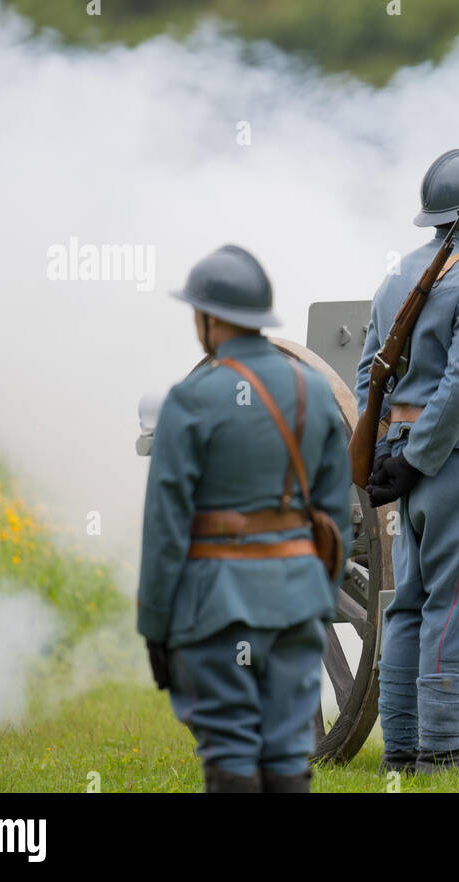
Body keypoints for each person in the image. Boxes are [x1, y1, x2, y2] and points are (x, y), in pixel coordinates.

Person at [138, 244, 352, 792]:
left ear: (211, 319)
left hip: (218, 606)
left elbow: (165, 530)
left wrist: (156, 629)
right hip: (297, 602)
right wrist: (315, 593)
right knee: (287, 749)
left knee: (230, 750)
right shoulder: (314, 394)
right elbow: (334, 519)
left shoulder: (189, 400)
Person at [355, 148, 459, 774]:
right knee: (452, 607)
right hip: (458, 465)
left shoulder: (396, 279)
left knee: (409, 606)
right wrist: (420, 459)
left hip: (407, 466)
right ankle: (440, 754)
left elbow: (372, 374)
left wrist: (395, 456)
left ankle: (400, 752)